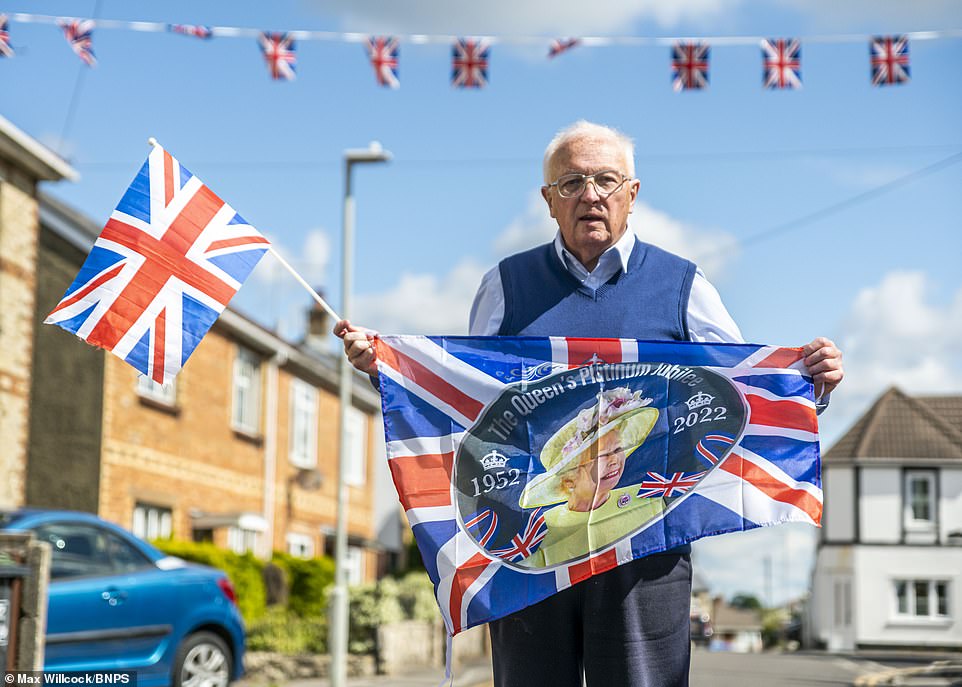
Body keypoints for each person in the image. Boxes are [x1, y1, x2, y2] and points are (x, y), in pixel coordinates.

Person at [335, 120, 844, 687]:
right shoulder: (505, 285)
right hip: (533, 553)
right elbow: (471, 413)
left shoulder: (684, 285)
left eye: (606, 179)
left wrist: (810, 385)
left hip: (647, 556)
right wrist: (391, 368)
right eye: (572, 182)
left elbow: (742, 396)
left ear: (633, 194)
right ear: (548, 201)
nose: (591, 195)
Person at [517, 387, 664, 569]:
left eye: (618, 449)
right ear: (569, 479)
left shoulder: (647, 498)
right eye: (601, 456)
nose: (614, 460)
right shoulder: (543, 527)